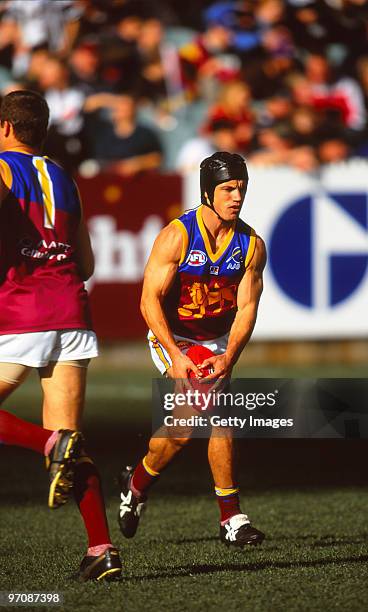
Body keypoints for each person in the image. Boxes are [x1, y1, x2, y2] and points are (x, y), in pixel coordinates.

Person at [0, 90, 121, 581]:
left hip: (21, 315)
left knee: (56, 443)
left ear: (5, 128)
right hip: (72, 313)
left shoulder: (3, 170)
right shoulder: (65, 178)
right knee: (72, 442)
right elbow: (87, 262)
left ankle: (46, 444)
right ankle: (101, 549)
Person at [118, 151, 267, 547]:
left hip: (217, 340)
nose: (237, 196)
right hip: (176, 336)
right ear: (206, 192)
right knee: (212, 418)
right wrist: (177, 354)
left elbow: (247, 311)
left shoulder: (251, 245)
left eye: (241, 188)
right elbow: (148, 302)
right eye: (227, 189)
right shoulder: (177, 236)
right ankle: (231, 516)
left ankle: (137, 483)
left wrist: (227, 355)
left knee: (192, 427)